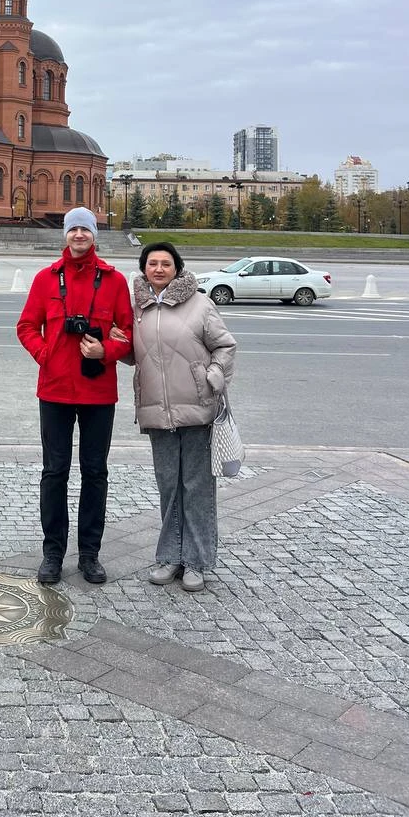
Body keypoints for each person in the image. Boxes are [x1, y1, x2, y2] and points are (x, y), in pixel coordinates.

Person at [17, 206, 133, 586]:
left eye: (85, 229)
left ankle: (89, 554)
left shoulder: (113, 281)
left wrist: (107, 352)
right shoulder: (46, 279)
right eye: (73, 230)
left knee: (95, 472)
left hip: (99, 391)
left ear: (94, 235)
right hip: (55, 389)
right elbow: (26, 326)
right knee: (54, 473)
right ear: (65, 235)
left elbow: (129, 333)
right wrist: (45, 354)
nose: (79, 235)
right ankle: (53, 553)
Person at [130, 241, 237, 592]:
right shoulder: (137, 308)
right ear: (143, 268)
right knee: (169, 487)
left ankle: (196, 561)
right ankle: (169, 557)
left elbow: (225, 344)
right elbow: (136, 355)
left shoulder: (199, 304)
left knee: (197, 487)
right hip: (157, 413)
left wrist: (215, 375)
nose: (158, 269)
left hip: (197, 408)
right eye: (152, 263)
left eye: (165, 263)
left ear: (177, 268)